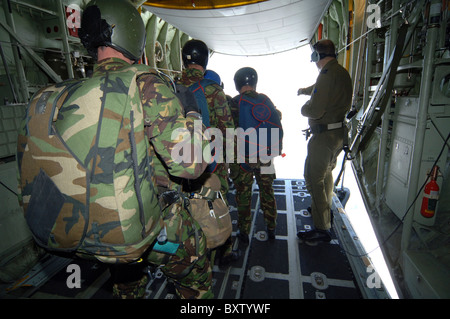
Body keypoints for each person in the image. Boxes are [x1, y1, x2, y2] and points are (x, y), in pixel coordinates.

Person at [18, 0, 213, 299]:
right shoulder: (146, 85)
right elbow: (191, 165)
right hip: (158, 225)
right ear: (133, 34)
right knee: (196, 277)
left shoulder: (74, 94)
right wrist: (192, 116)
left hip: (102, 230)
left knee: (127, 287)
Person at [177, 40, 236, 264]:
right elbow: (227, 130)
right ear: (205, 61)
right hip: (210, 165)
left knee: (185, 209)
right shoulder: (212, 90)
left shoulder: (168, 86)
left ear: (184, 60)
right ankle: (224, 249)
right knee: (217, 203)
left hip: (178, 163)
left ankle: (190, 253)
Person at [297, 39, 352, 243]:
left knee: (313, 179)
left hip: (323, 137)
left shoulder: (326, 74)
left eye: (314, 57)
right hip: (337, 135)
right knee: (326, 174)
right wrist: (305, 90)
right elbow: (321, 88)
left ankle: (322, 227)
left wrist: (304, 108)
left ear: (319, 57)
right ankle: (324, 208)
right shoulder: (340, 72)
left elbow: (316, 109)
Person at [230, 67, 283, 243]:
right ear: (254, 82)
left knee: (244, 194)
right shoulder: (265, 99)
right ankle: (272, 226)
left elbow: (228, 129)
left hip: (244, 158)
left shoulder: (235, 103)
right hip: (266, 156)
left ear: (237, 84)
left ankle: (244, 231)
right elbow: (277, 117)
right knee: (267, 190)